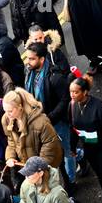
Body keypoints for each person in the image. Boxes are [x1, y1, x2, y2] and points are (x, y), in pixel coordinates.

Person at [23, 44, 74, 183]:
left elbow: (64, 101)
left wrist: (49, 117)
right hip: (41, 121)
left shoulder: (55, 77)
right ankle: (79, 155)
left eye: (32, 59)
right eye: (27, 58)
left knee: (67, 151)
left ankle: (71, 180)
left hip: (57, 122)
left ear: (41, 59)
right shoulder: (29, 72)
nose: (28, 62)